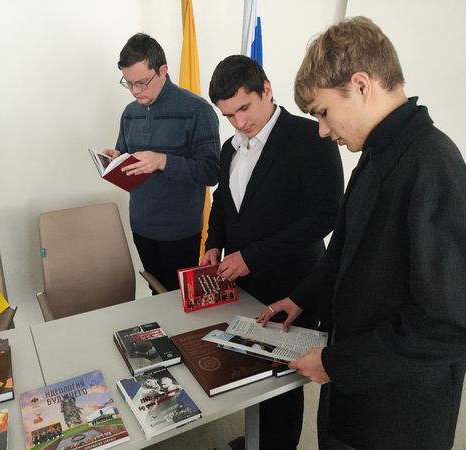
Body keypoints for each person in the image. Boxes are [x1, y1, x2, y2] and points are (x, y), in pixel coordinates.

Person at [259, 16, 466, 450]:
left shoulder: (434, 166)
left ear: (360, 85)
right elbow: (345, 253)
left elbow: (452, 324)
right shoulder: (376, 154)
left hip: (397, 417)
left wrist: (338, 365)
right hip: (352, 395)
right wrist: (301, 298)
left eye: (323, 113)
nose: (322, 130)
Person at [205, 55, 343, 449]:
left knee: (282, 381)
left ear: (266, 89)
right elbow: (223, 201)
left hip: (293, 284)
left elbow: (325, 216)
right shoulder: (230, 147)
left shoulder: (310, 137)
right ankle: (257, 439)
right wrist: (213, 242)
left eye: (244, 108)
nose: (239, 122)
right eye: (228, 115)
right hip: (243, 283)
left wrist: (252, 257)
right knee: (249, 368)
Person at [105, 33, 220, 292]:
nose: (136, 91)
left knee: (180, 300)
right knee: (156, 293)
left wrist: (162, 161)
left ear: (163, 71)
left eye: (142, 82)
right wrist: (115, 160)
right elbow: (127, 160)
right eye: (129, 83)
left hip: (181, 231)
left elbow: (211, 172)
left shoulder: (197, 110)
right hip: (141, 225)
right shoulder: (130, 113)